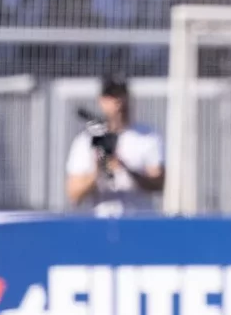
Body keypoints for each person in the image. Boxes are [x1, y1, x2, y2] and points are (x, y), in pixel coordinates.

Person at [66, 75, 165, 217]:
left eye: (121, 94)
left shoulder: (147, 137)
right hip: (101, 224)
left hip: (138, 224)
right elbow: (74, 193)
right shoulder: (85, 141)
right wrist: (98, 170)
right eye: (111, 96)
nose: (118, 101)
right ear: (101, 101)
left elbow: (158, 184)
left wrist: (124, 167)